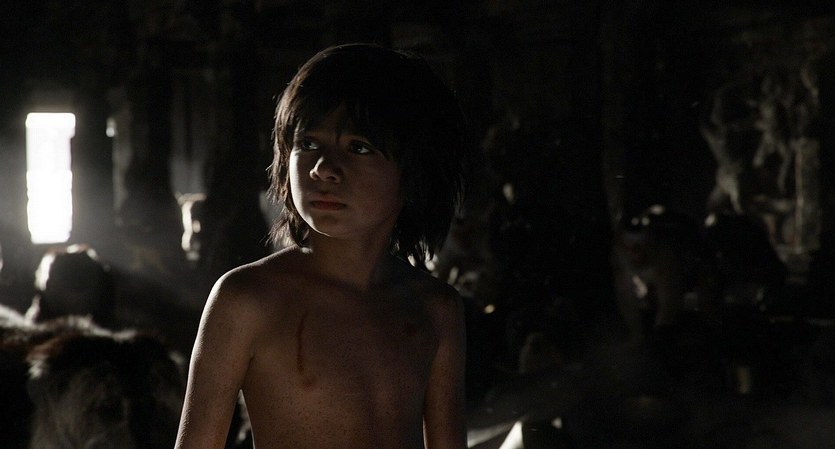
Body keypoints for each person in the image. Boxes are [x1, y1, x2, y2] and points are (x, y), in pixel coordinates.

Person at [175, 43, 470, 449]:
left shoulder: (435, 308)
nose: (323, 169)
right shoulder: (248, 300)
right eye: (309, 144)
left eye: (358, 147)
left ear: (415, 172)